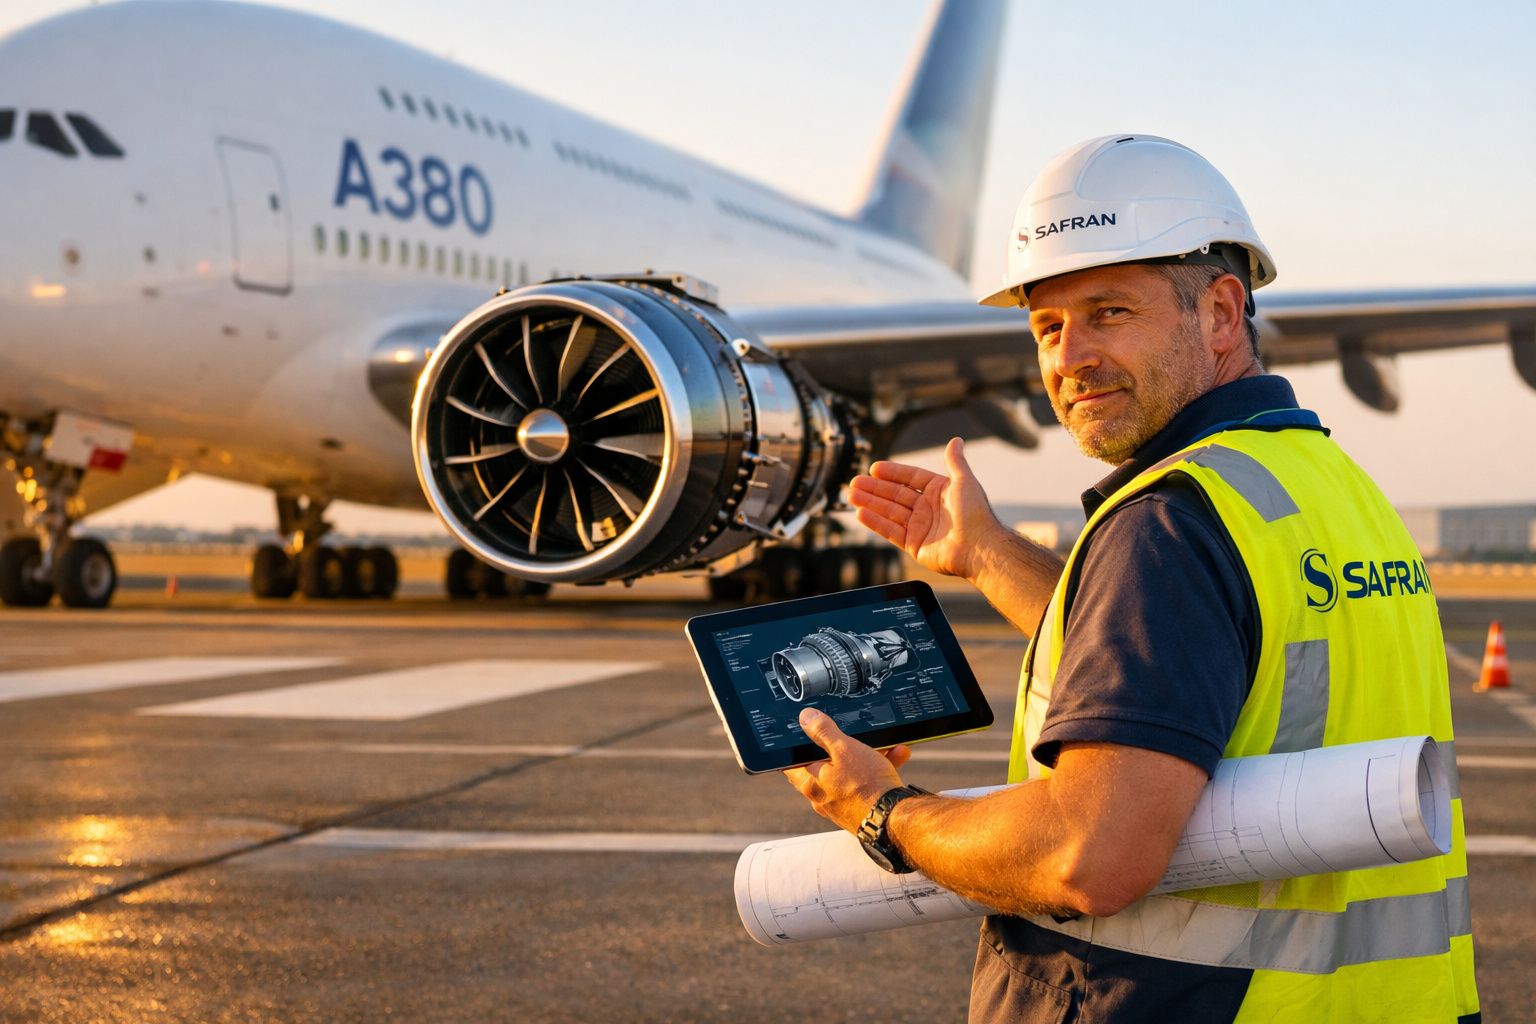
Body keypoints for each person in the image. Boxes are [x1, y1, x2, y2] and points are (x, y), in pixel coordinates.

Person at [783, 135, 1477, 1022]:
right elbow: (1187, 658)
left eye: (1110, 312)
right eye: (1046, 326)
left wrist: (886, 812)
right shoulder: (1326, 489)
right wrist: (988, 550)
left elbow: (1088, 855)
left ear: (1222, 314)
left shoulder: (1173, 519)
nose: (1069, 358)